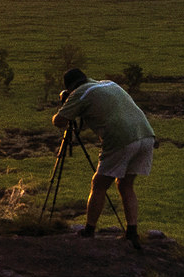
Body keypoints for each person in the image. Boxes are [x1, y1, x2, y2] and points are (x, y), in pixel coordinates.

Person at [51, 67, 156, 249]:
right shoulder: (109, 84)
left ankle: (89, 231)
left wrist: (67, 103)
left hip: (122, 139)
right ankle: (132, 233)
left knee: (99, 184)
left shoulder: (80, 94)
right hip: (146, 136)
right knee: (125, 184)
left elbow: (59, 121)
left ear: (70, 88)